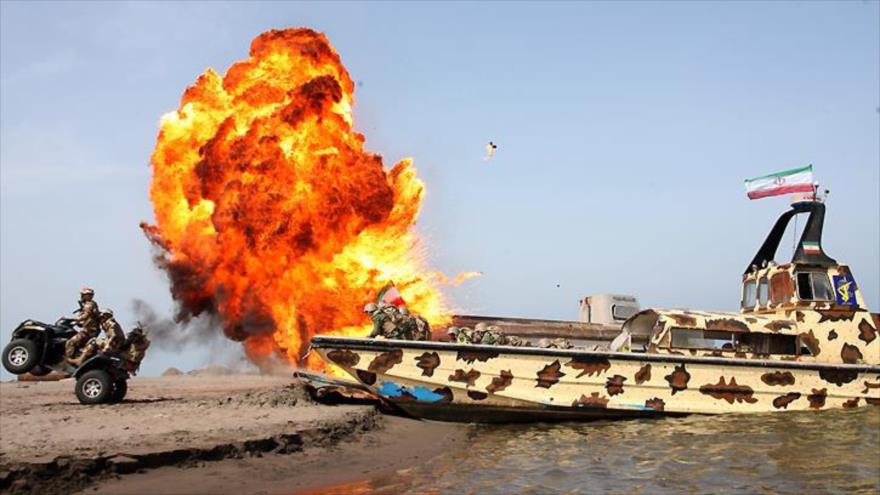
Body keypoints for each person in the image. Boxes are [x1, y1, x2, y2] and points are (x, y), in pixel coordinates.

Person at [64, 287, 101, 362]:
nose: (82, 296)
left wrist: (74, 319)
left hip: (89, 331)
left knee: (70, 342)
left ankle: (69, 361)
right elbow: (89, 318)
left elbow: (85, 316)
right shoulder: (92, 304)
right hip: (92, 330)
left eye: (83, 295)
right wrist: (78, 323)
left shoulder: (89, 304)